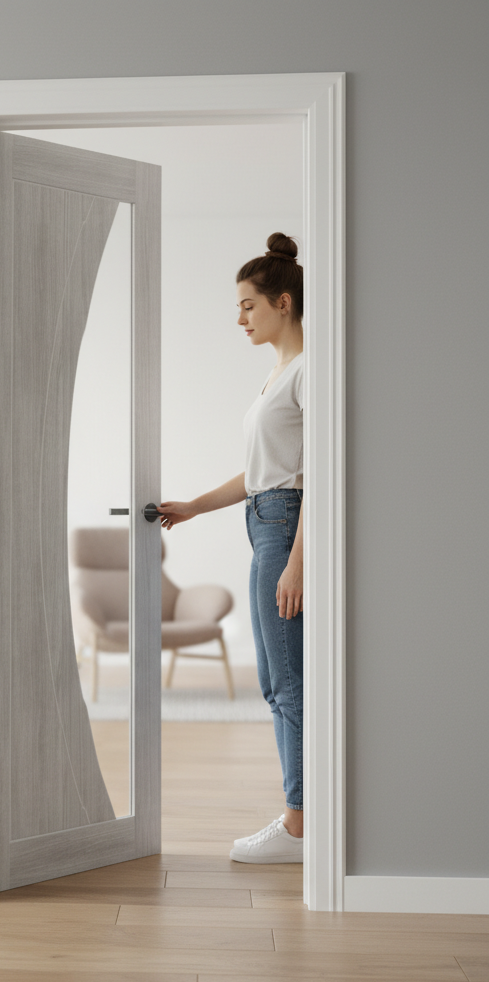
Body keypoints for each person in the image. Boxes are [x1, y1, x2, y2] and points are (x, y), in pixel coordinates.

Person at [157, 232, 305, 865]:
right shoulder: (277, 375)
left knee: (290, 681)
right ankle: (301, 815)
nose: (240, 318)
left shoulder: (309, 371)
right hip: (264, 522)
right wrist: (193, 507)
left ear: (283, 302)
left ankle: (300, 827)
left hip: (286, 530)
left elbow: (317, 476)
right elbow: (259, 473)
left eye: (248, 305)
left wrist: (298, 562)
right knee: (272, 681)